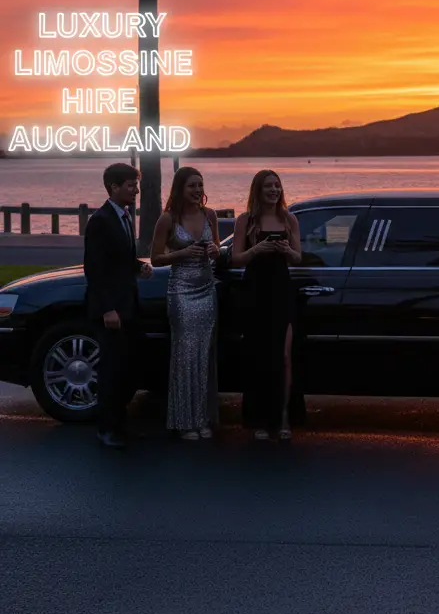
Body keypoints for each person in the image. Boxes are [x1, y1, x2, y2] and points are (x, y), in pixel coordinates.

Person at [83, 163, 153, 449]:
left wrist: (138, 267)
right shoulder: (100, 221)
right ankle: (106, 429)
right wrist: (107, 309)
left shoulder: (124, 216)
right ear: (113, 187)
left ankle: (121, 425)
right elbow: (94, 269)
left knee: (128, 368)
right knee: (111, 370)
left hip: (129, 304)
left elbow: (119, 258)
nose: (135, 190)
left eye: (135, 185)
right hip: (112, 310)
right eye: (130, 185)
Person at [232, 170, 305, 440]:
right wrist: (256, 250)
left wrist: (287, 251)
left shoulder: (289, 219)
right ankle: (261, 418)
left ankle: (283, 415)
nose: (274, 190)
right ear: (258, 191)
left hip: (281, 291)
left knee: (284, 357)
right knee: (259, 358)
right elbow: (236, 258)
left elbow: (298, 257)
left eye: (277, 185)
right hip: (255, 291)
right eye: (268, 186)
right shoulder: (245, 220)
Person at [150, 167, 220, 440]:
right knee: (185, 354)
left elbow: (217, 251)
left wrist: (216, 250)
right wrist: (181, 253)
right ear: (180, 188)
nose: (197, 190)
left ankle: (203, 418)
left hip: (206, 289)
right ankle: (184, 421)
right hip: (181, 291)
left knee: (205, 355)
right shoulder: (168, 219)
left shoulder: (209, 215)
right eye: (192, 185)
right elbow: (155, 258)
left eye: (200, 185)